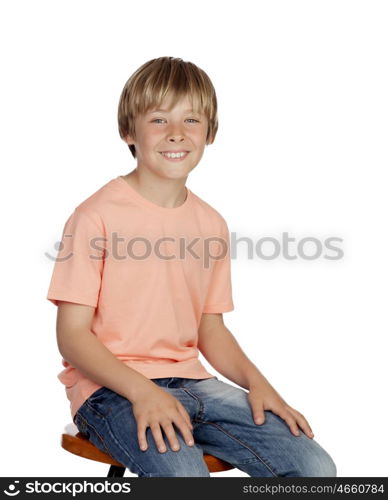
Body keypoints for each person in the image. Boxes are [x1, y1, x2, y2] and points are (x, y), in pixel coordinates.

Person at [47, 56, 337, 477]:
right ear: (128, 131)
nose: (177, 134)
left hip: (196, 386)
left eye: (192, 120)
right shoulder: (95, 217)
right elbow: (72, 336)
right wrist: (142, 391)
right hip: (110, 390)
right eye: (159, 120)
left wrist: (259, 385)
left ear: (210, 132)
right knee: (184, 475)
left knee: (314, 469)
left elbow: (210, 329)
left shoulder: (211, 224)